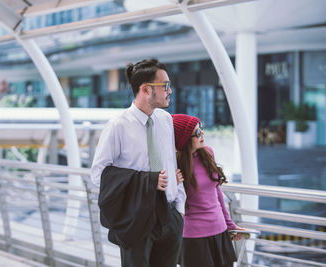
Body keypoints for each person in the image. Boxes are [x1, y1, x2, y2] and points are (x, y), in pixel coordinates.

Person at [91, 58, 186, 267]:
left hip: (169, 217)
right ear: (145, 89)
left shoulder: (165, 120)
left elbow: (170, 162)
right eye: (165, 86)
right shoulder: (118, 126)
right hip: (138, 217)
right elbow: (98, 174)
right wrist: (146, 181)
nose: (170, 91)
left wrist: (180, 210)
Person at [172, 114, 245, 267]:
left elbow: (216, 192)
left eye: (201, 129)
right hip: (194, 237)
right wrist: (173, 183)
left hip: (219, 230)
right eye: (197, 133)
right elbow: (169, 201)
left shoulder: (208, 152)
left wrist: (230, 224)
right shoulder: (174, 164)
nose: (202, 134)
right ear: (184, 139)